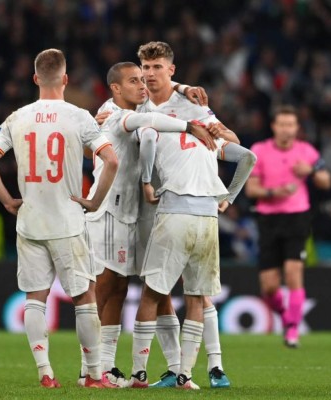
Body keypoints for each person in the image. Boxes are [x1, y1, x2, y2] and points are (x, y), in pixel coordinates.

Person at [0, 48, 119, 389]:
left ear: (35, 78)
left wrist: (7, 200)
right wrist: (93, 201)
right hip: (67, 220)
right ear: (66, 79)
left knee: (35, 298)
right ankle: (95, 376)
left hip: (30, 220)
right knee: (84, 296)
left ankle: (45, 373)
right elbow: (111, 161)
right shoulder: (78, 116)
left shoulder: (17, 117)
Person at [77, 61, 214, 388]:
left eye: (143, 79)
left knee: (148, 287)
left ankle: (157, 368)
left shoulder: (135, 103)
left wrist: (181, 87)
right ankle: (91, 367)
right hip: (110, 209)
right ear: (116, 88)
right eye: (134, 81)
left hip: (138, 212)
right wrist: (188, 127)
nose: (143, 85)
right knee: (109, 285)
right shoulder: (114, 112)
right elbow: (149, 120)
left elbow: (160, 88)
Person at [134, 41, 240, 389]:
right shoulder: (139, 102)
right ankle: (183, 371)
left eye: (156, 68)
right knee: (172, 292)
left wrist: (224, 135)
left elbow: (230, 142)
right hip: (156, 203)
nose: (149, 75)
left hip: (181, 203)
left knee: (181, 292)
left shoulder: (192, 104)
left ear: (171, 69)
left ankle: (199, 369)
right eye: (145, 68)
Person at [245, 105, 331, 348]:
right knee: (269, 287)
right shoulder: (260, 150)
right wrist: (275, 192)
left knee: (294, 273)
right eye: (281, 124)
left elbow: (326, 181)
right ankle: (286, 317)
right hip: (268, 219)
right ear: (274, 126)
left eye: (290, 125)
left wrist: (312, 170)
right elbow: (251, 189)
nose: (285, 129)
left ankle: (292, 330)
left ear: (296, 128)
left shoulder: (306, 151)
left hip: (297, 217)